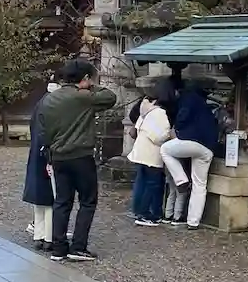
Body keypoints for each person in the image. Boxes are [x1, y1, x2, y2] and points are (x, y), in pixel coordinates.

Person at [41, 58, 117, 262]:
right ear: (85, 78)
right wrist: (90, 86)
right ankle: (78, 246)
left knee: (62, 202)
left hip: (58, 156)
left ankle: (58, 248)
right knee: (87, 201)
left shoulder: (49, 99)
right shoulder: (83, 97)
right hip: (81, 155)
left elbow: (43, 130)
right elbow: (110, 97)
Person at [160, 79, 220, 229]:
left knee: (165, 149)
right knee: (200, 185)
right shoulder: (204, 105)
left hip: (192, 141)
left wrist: (176, 128)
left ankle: (181, 180)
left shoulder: (188, 98)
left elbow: (182, 118)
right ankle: (193, 222)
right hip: (208, 147)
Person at [21, 78, 60, 249]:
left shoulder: (41, 102)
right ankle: (49, 237)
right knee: (51, 197)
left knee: (40, 199)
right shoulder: (54, 103)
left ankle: (39, 235)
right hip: (49, 153)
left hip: (37, 152)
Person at [127, 90, 172, 226]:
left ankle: (138, 210)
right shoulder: (159, 113)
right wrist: (169, 135)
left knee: (141, 183)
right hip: (152, 154)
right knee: (153, 185)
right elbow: (158, 136)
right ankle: (147, 214)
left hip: (140, 152)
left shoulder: (144, 112)